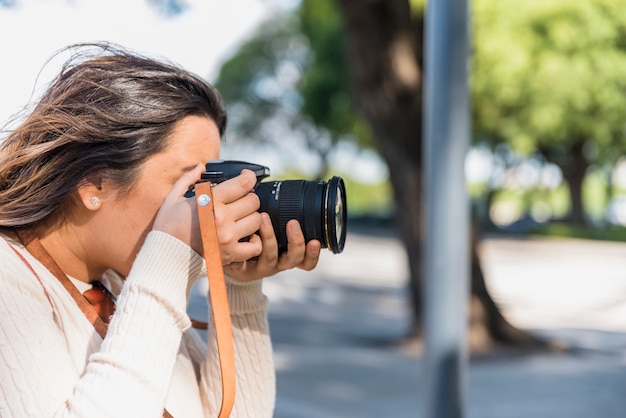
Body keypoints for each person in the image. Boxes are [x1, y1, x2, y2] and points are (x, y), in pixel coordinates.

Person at [0, 42, 321, 417]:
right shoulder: (11, 280)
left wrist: (240, 286)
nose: (208, 201)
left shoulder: (124, 286)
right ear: (93, 184)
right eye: (190, 186)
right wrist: (169, 257)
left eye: (213, 182)